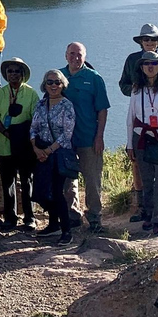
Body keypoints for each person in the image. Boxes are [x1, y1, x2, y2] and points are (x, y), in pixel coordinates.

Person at [118, 23, 158, 223]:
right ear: (141, 42)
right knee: (142, 173)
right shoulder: (132, 60)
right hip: (142, 124)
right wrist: (136, 88)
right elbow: (124, 85)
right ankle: (143, 210)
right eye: (146, 39)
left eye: (153, 39)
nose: (149, 42)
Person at [60, 42, 110, 233]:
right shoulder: (58, 77)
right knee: (68, 180)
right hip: (65, 140)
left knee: (92, 179)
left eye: (79, 54)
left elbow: (102, 110)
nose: (75, 58)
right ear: (66, 55)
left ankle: (95, 218)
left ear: (85, 56)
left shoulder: (94, 78)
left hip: (89, 138)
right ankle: (73, 215)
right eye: (72, 54)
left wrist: (100, 136)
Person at [0, 57, 40, 231]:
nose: (13, 74)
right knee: (7, 181)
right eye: (10, 71)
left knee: (27, 181)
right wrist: (6, 132)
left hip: (25, 144)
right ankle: (10, 218)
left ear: (22, 74)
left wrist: (23, 135)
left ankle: (30, 217)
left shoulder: (31, 93)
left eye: (17, 71)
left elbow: (36, 118)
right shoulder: (1, 93)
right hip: (5, 144)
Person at [30, 70, 76, 246]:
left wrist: (48, 150)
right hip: (41, 153)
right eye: (50, 82)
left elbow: (67, 134)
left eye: (57, 82)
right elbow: (33, 127)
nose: (53, 86)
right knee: (41, 193)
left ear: (63, 84)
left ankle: (66, 231)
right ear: (45, 85)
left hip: (58, 154)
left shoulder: (67, 106)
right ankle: (53, 224)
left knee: (56, 192)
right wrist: (35, 148)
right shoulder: (41, 105)